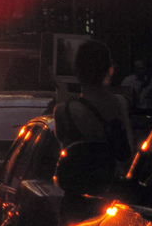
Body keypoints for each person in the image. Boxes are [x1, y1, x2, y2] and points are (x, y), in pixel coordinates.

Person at [53, 39, 133, 168]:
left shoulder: (64, 111)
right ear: (109, 70)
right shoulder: (120, 103)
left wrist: (61, 91)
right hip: (109, 183)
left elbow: (65, 152)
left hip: (77, 184)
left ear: (77, 70)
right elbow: (127, 153)